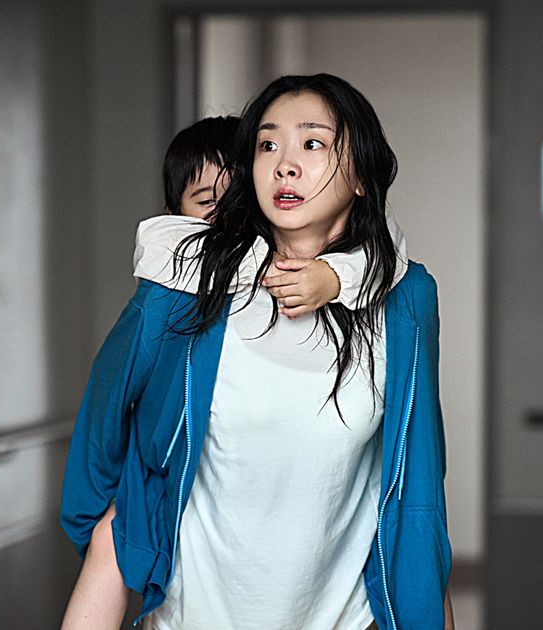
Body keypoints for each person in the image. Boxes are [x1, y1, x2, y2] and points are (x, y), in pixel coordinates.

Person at [59, 74, 450, 630]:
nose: (285, 164)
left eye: (312, 143)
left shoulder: (406, 298)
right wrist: (114, 541)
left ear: (362, 176)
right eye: (268, 145)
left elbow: (419, 482)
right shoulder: (184, 286)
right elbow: (104, 413)